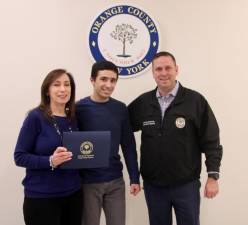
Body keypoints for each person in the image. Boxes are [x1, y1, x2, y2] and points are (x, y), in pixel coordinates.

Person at [128, 51, 223, 225]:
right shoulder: (143, 103)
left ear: (176, 69)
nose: (163, 73)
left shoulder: (195, 101)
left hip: (186, 185)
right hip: (154, 186)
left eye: (168, 68)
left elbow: (211, 142)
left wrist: (212, 176)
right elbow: (122, 126)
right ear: (153, 72)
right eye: (158, 69)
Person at [14, 69, 83, 225]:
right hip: (42, 198)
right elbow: (19, 156)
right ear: (47, 91)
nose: (63, 89)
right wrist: (50, 161)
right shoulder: (35, 117)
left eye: (67, 85)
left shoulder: (73, 118)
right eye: (56, 84)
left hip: (74, 195)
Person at [76, 60, 140, 225]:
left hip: (115, 182)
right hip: (88, 183)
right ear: (92, 80)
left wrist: (134, 178)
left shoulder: (120, 109)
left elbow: (128, 145)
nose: (109, 85)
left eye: (113, 80)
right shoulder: (78, 109)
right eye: (104, 79)